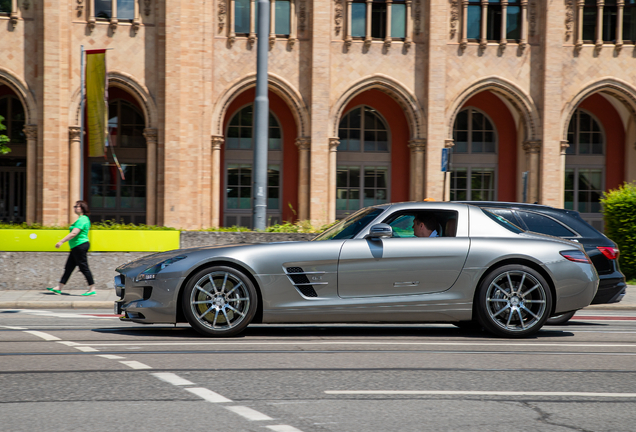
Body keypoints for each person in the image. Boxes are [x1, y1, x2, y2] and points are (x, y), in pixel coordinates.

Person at [47, 201, 96, 296]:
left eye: (77, 206)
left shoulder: (82, 219)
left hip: (80, 246)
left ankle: (92, 288)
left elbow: (74, 233)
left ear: (82, 208)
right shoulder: (81, 219)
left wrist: (61, 241)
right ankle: (59, 287)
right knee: (69, 267)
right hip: (76, 247)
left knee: (83, 267)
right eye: (75, 206)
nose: (75, 208)